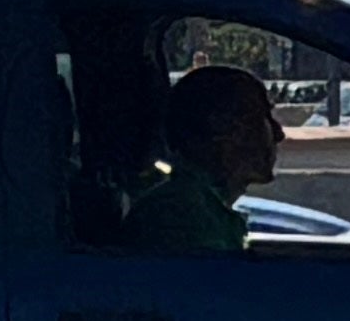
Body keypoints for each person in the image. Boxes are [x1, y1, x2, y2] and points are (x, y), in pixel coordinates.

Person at [121, 60, 284, 254]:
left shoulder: (199, 207)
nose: (278, 133)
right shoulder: (180, 216)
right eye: (261, 117)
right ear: (222, 130)